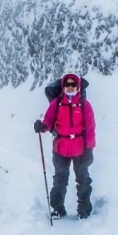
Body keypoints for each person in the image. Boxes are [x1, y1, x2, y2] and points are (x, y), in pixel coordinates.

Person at [34, 73, 96, 219]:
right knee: (60, 180)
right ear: (63, 86)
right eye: (67, 84)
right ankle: (57, 209)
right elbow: (48, 121)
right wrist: (42, 126)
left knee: (83, 179)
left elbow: (91, 127)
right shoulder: (57, 103)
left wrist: (90, 148)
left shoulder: (84, 104)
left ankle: (84, 210)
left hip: (80, 148)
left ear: (78, 86)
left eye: (72, 84)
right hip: (60, 147)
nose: (69, 87)